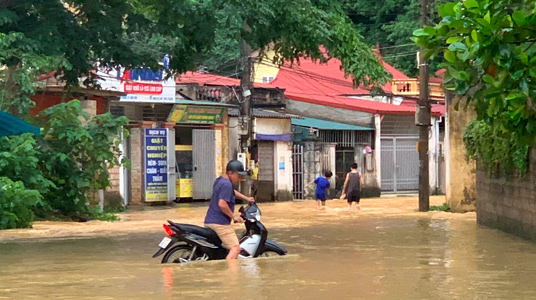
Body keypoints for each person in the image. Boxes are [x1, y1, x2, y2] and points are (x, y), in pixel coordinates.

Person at [204, 160, 255, 260]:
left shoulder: (220, 180)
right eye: (238, 175)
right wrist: (234, 216)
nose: (240, 178)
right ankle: (230, 274)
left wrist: (247, 198)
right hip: (220, 224)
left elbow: (232, 191)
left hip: (210, 220)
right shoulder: (226, 184)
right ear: (230, 173)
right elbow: (222, 204)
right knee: (235, 249)